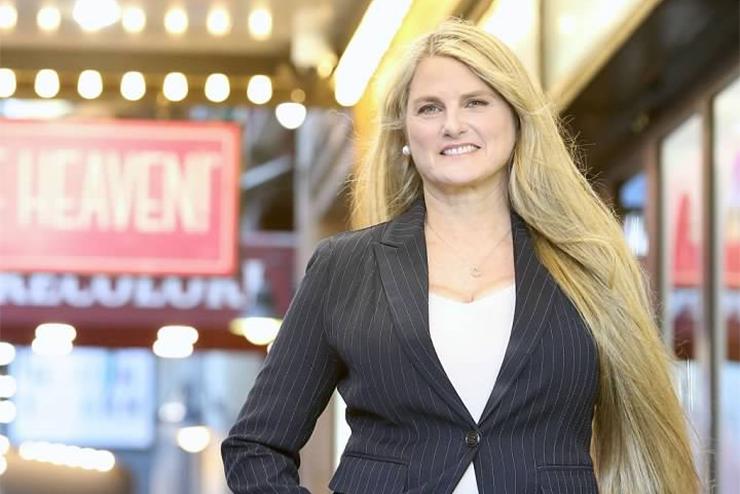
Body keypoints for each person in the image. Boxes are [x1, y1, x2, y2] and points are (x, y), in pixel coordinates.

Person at [222, 19, 698, 494]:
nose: (452, 125)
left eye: (476, 102)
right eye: (429, 108)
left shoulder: (589, 263)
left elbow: (646, 441)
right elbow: (255, 446)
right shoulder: (345, 268)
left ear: (515, 118)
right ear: (406, 133)